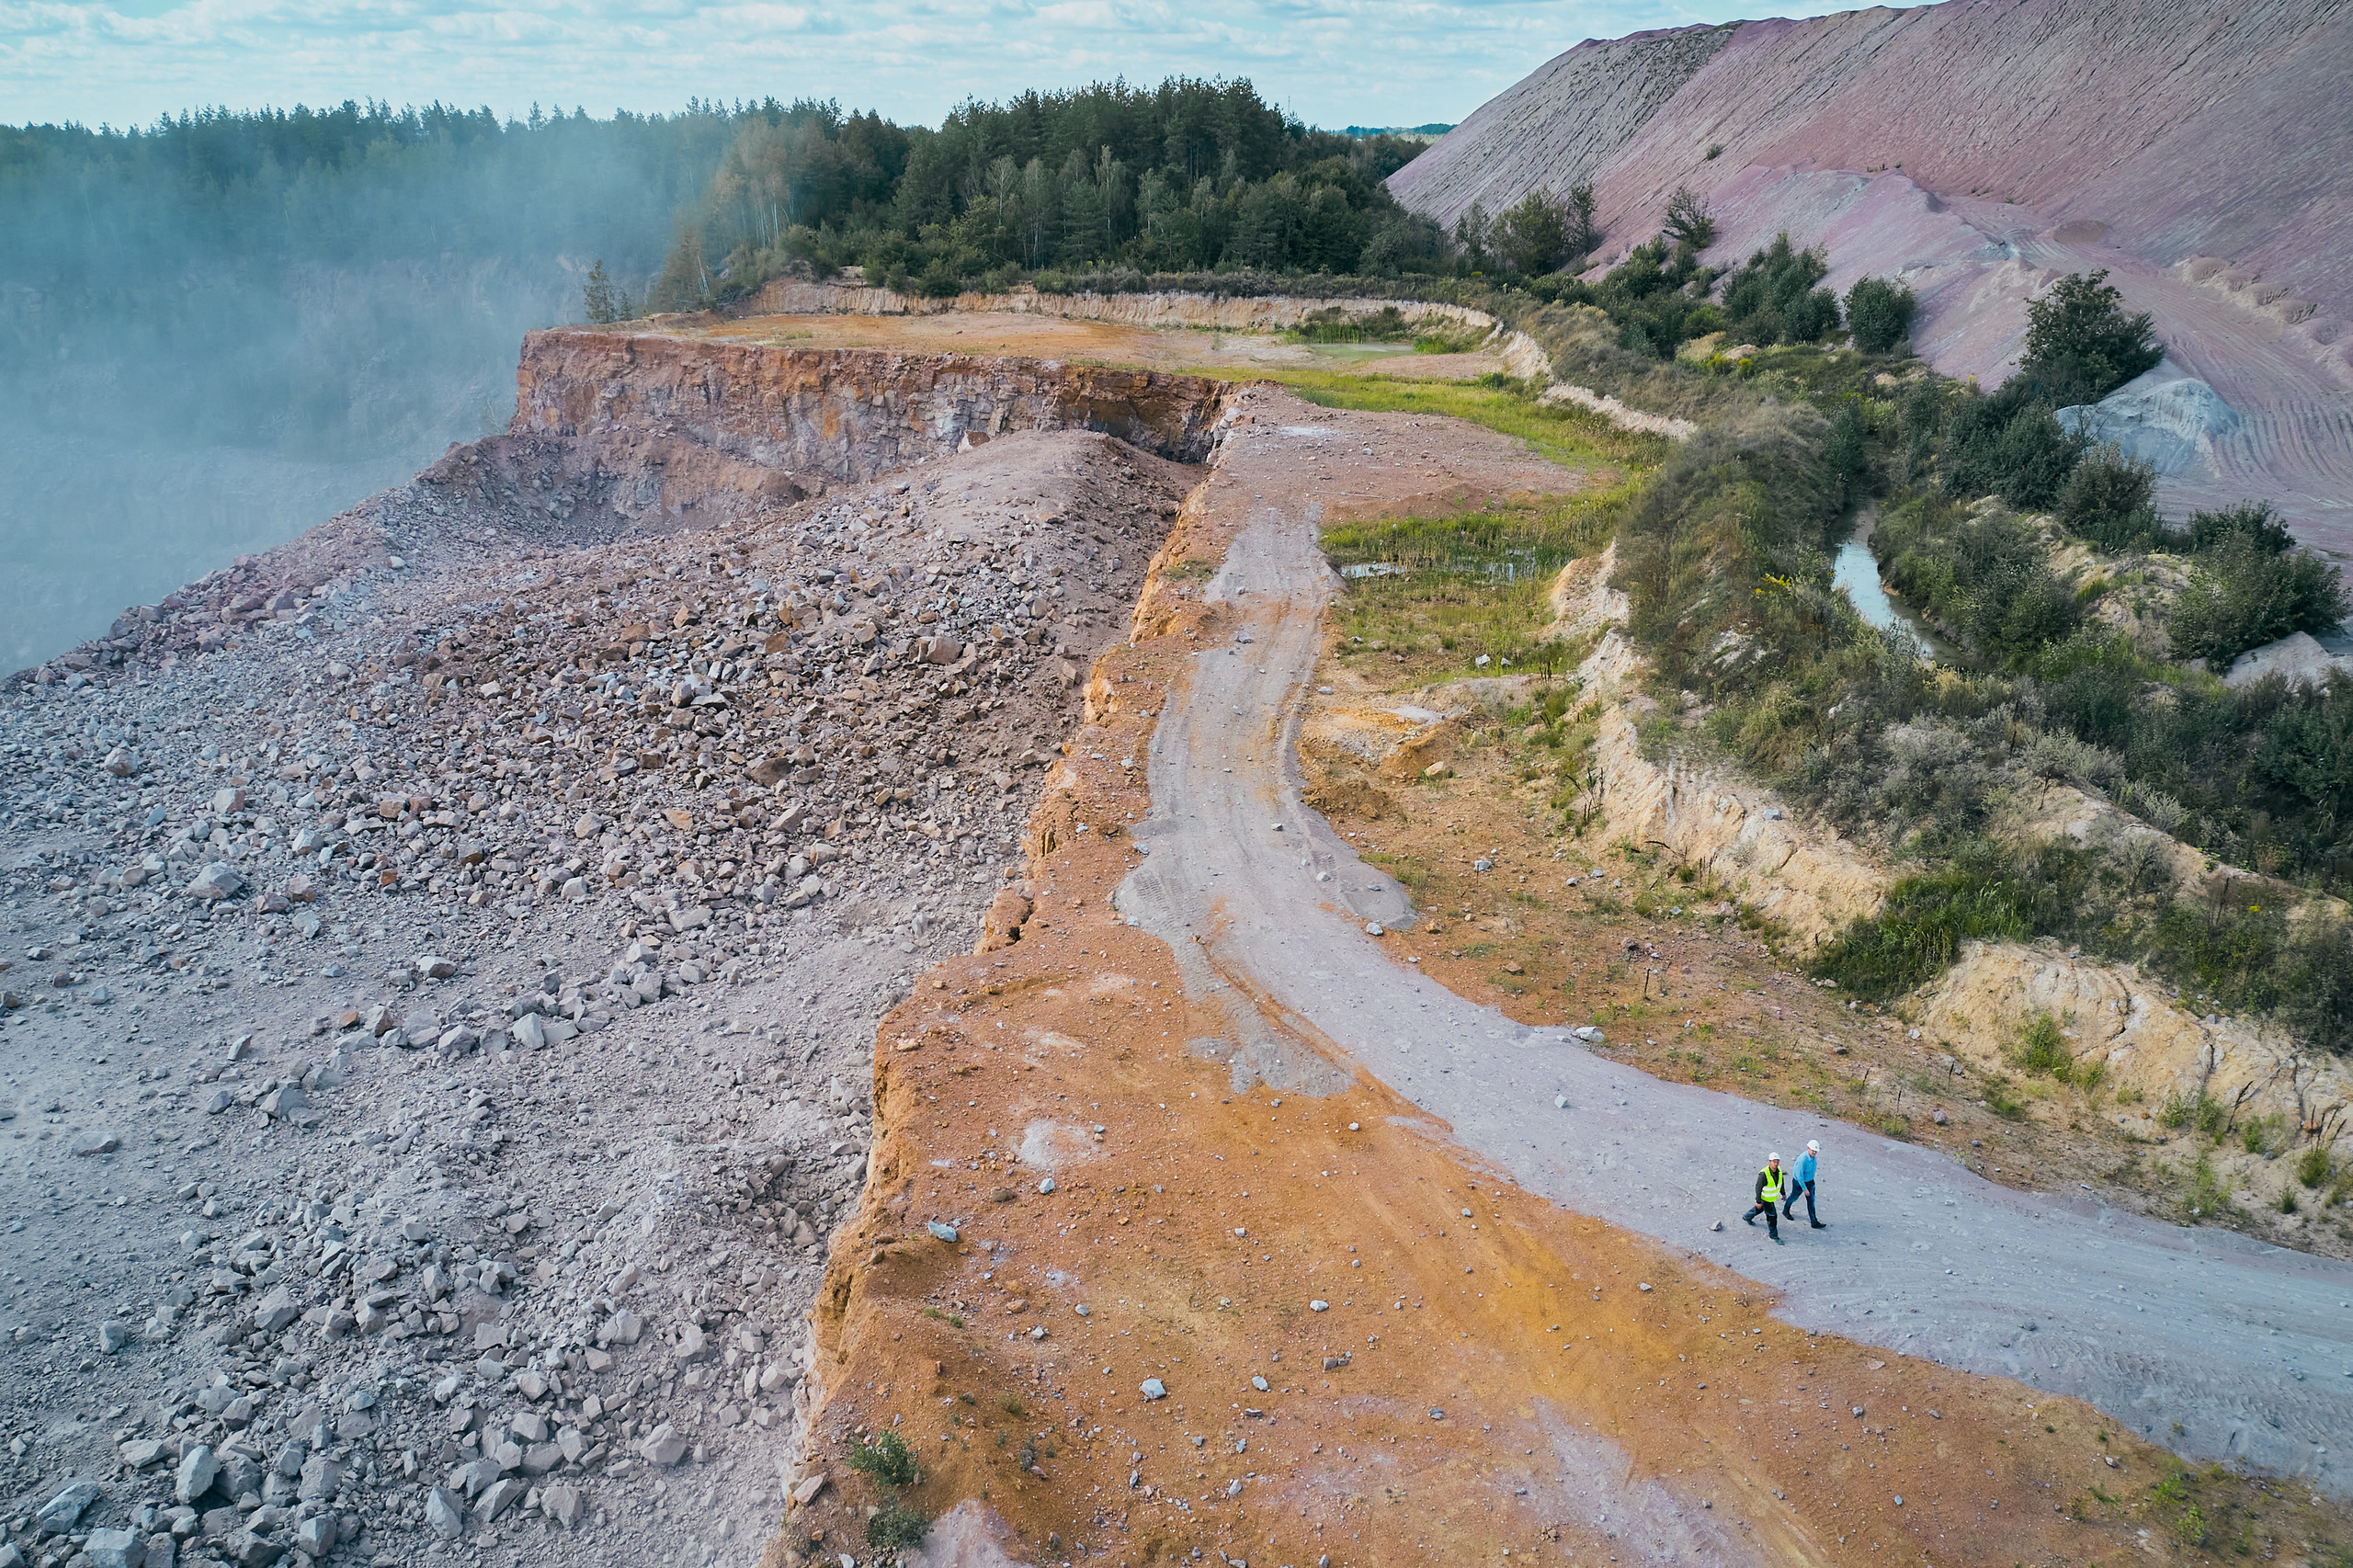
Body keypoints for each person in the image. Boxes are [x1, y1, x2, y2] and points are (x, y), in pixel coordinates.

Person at [1783, 1139, 1825, 1229]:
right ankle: (1785, 1210)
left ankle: (1814, 1222)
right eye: (1813, 1150)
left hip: (1810, 1182)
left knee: (1811, 1201)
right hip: (1799, 1183)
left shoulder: (1813, 1158)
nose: (1814, 1152)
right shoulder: (1802, 1159)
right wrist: (1804, 1188)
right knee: (1794, 1197)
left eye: (1816, 1151)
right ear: (1808, 1148)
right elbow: (1799, 1176)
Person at [1743, 1153, 1785, 1241]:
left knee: (1760, 1208)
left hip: (1770, 1198)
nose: (1776, 1164)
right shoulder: (1763, 1174)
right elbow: (1758, 1188)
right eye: (1774, 1162)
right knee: (1772, 1217)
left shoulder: (1779, 1170)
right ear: (1770, 1162)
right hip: (1765, 1199)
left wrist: (1783, 1193)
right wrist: (1758, 1201)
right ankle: (1773, 1235)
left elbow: (1781, 1182)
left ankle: (1747, 1216)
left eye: (1777, 1162)